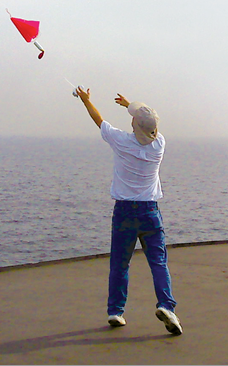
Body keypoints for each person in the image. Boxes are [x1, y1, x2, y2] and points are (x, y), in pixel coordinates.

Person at [75, 86, 183, 336]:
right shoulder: (159, 145)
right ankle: (166, 306)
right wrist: (129, 106)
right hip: (150, 212)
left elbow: (98, 120)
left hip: (124, 212)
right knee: (158, 262)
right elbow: (147, 124)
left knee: (120, 264)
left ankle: (116, 311)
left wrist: (85, 100)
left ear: (135, 125)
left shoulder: (121, 141)